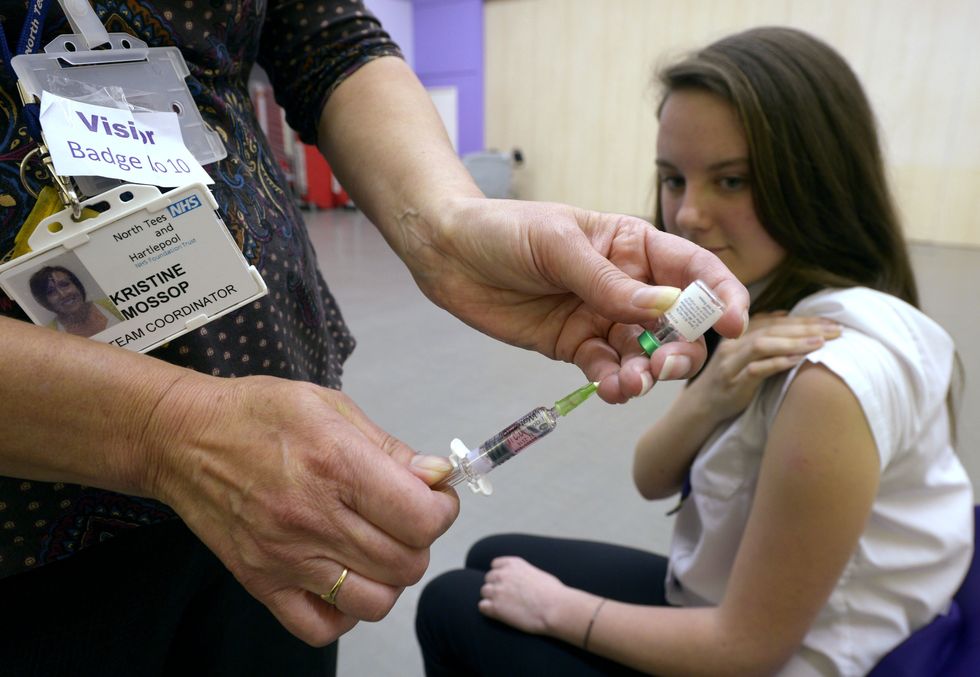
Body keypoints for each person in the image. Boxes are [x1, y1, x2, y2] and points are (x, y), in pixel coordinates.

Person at [0, 1, 748, 674]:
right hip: (31, 537)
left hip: (289, 472)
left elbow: (329, 38)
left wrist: (449, 225)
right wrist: (167, 428)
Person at [415, 26, 975, 677]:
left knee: (453, 604)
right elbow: (652, 475)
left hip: (787, 655)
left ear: (818, 181)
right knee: (491, 552)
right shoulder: (756, 308)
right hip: (727, 597)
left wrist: (559, 609)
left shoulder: (831, 377)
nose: (685, 215)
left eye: (731, 181)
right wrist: (714, 394)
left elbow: (748, 648)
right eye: (673, 179)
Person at [28, 265, 122, 337]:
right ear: (44, 301)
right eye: (51, 292)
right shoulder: (48, 335)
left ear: (77, 285)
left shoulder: (113, 304)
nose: (63, 294)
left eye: (64, 284)